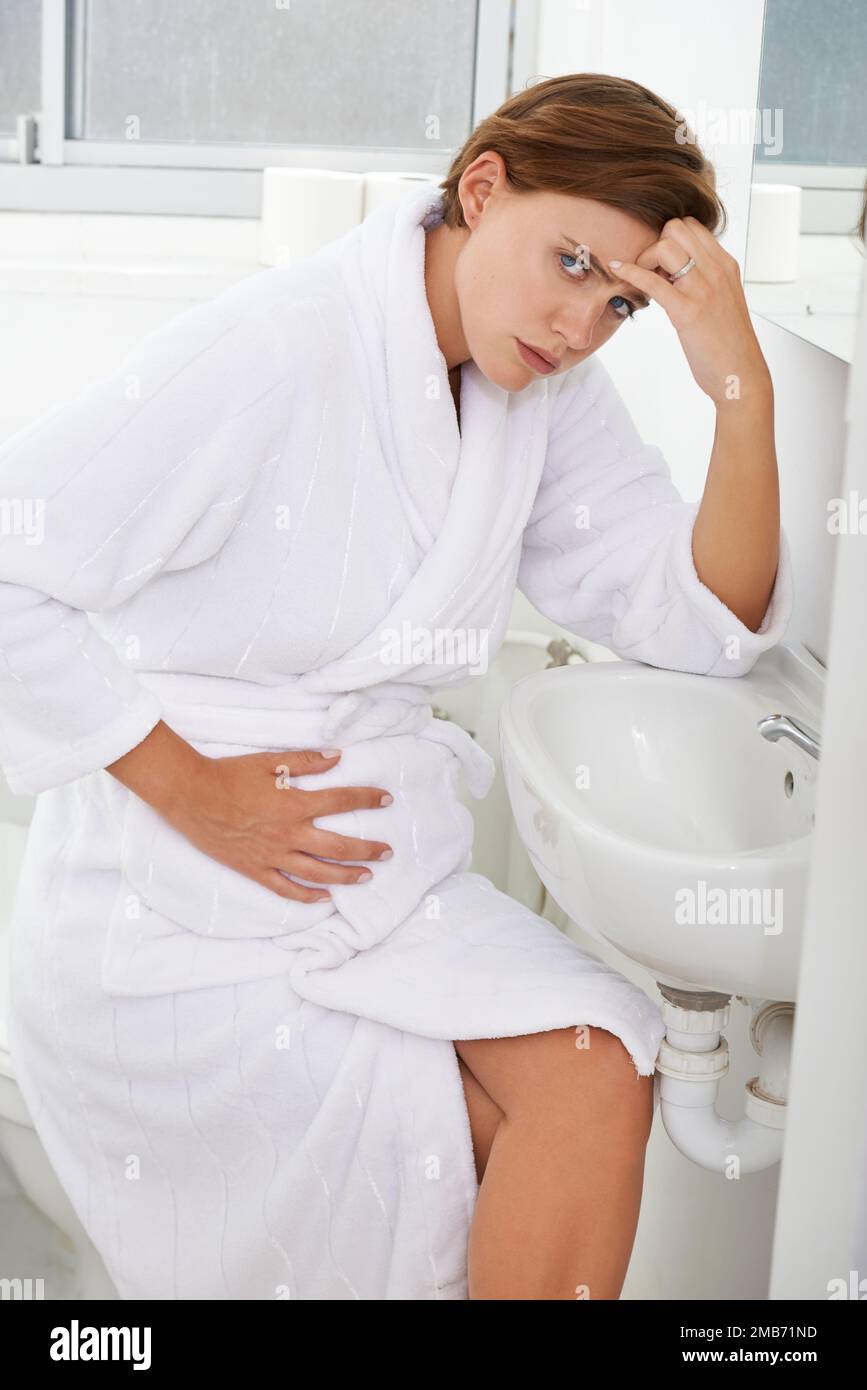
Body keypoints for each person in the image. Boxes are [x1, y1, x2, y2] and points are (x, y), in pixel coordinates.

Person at [0, 73, 792, 1301]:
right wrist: (190, 787)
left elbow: (702, 620)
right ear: (482, 189)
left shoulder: (539, 392)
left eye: (623, 303)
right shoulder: (273, 348)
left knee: (597, 1073)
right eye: (572, 262)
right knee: (520, 1131)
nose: (582, 326)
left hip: (366, 880)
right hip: (177, 908)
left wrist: (743, 385)